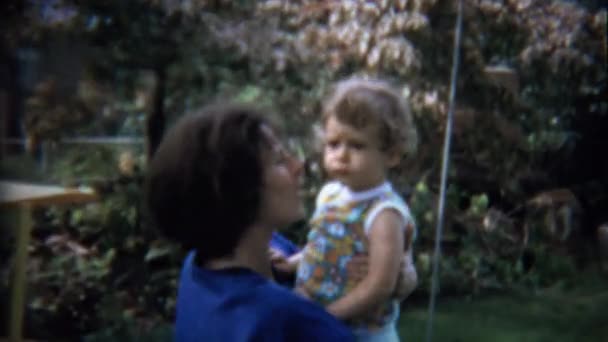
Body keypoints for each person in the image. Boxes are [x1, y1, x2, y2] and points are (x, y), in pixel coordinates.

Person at [145, 104, 355, 341]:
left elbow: (313, 269)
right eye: (278, 161)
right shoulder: (283, 320)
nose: (297, 166)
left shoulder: (199, 269)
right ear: (238, 190)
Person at [273, 78, 419, 341]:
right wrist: (292, 263)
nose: (341, 154)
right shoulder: (330, 194)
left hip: (361, 332)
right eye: (334, 143)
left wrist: (327, 316)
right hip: (318, 318)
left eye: (357, 145)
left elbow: (380, 285)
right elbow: (325, 246)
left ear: (392, 155)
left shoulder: (384, 213)